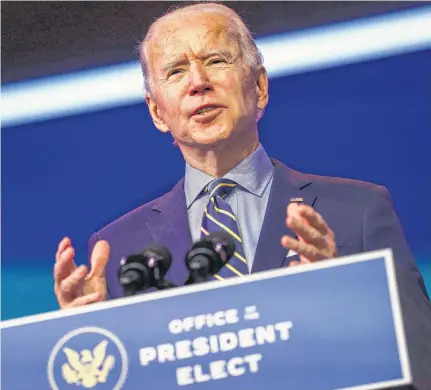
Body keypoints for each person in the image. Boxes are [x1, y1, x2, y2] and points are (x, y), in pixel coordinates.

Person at [54, 2, 429, 309]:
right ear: (156, 112)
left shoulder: (358, 211)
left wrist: (346, 296)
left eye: (216, 60)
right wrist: (89, 332)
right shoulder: (121, 247)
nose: (198, 82)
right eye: (176, 71)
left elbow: (420, 359)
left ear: (260, 87)